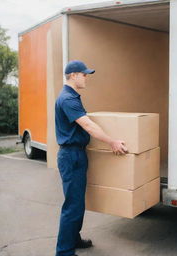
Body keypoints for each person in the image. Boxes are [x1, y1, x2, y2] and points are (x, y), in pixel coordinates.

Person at [55, 60, 128, 256]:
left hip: (76, 153)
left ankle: (74, 239)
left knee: (78, 202)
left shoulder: (72, 97)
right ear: (73, 76)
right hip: (71, 156)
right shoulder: (68, 99)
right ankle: (64, 252)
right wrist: (112, 141)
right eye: (84, 74)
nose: (86, 77)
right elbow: (88, 126)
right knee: (72, 205)